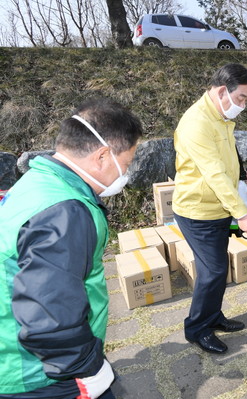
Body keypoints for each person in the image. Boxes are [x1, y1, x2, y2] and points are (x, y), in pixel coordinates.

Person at [0, 98, 142, 398]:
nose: (124, 175)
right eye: (126, 163)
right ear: (103, 156)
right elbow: (50, 315)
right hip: (42, 371)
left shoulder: (40, 182)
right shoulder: (65, 212)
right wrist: (86, 369)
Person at [172, 63, 247, 354]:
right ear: (223, 91)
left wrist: (241, 172)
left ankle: (213, 316)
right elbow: (213, 174)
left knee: (218, 269)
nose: (243, 105)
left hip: (217, 208)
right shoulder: (197, 122)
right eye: (242, 98)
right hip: (198, 210)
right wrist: (244, 215)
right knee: (213, 271)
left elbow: (226, 156)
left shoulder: (219, 116)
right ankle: (196, 329)